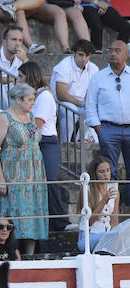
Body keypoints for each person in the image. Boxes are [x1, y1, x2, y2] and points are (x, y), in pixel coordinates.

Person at [0, 82, 49, 256]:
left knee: (33, 212)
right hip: (14, 173)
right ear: (18, 99)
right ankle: (13, 252)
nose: (32, 102)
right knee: (15, 213)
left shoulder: (30, 116)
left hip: (35, 173)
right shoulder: (4, 117)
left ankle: (30, 254)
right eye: (29, 99)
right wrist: (0, 178)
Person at [20, 60, 67, 227]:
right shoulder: (35, 96)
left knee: (49, 180)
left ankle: (60, 220)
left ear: (29, 77)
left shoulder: (45, 96)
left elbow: (37, 124)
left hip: (46, 142)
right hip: (38, 142)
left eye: (20, 77)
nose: (17, 80)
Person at [85, 40, 130, 202]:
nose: (112, 53)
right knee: (109, 171)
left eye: (117, 50)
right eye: (110, 50)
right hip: (108, 129)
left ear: (127, 55)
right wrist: (99, 129)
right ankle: (111, 206)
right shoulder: (99, 77)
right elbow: (90, 104)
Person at [53, 40, 98, 142]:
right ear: (74, 53)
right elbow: (61, 94)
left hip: (80, 104)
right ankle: (65, 143)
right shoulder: (65, 65)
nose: (84, 59)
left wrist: (89, 104)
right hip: (58, 103)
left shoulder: (93, 68)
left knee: (97, 112)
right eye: (81, 55)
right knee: (70, 111)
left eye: (87, 56)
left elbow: (96, 91)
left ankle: (89, 143)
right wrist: (82, 103)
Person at [0, 26, 30, 111]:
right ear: (4, 42)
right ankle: (7, 116)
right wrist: (10, 79)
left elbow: (33, 80)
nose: (18, 44)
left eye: (20, 40)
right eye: (14, 39)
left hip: (13, 97)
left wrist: (25, 60)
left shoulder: (21, 58)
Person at [81, 154, 120, 249]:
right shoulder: (87, 190)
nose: (106, 174)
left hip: (108, 234)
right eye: (102, 172)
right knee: (107, 238)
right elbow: (89, 222)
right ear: (95, 174)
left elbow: (114, 220)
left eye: (108, 170)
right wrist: (104, 200)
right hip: (89, 235)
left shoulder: (115, 191)